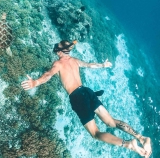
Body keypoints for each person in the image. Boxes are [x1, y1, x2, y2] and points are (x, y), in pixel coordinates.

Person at [21, 40, 152, 157]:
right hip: (87, 91)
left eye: (56, 48)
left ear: (60, 51)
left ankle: (128, 144)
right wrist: (103, 65)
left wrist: (35, 83)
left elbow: (48, 75)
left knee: (95, 133)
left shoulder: (58, 64)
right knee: (111, 122)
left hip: (77, 97)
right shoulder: (74, 60)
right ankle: (141, 137)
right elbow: (90, 65)